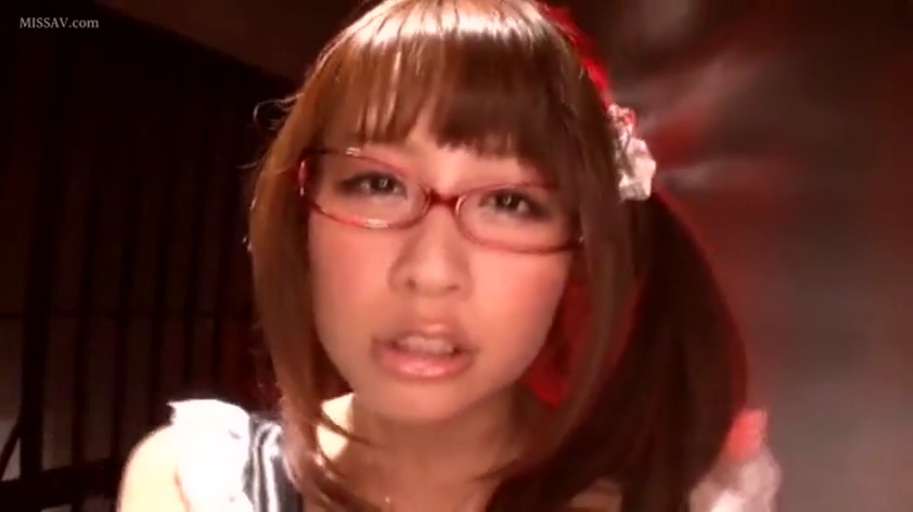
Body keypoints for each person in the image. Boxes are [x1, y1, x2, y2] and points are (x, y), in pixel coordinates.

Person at [116, 0, 781, 510]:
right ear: (302, 215)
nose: (430, 272)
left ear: (578, 255)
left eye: (510, 202)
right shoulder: (195, 486)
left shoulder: (681, 503)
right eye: (377, 184)